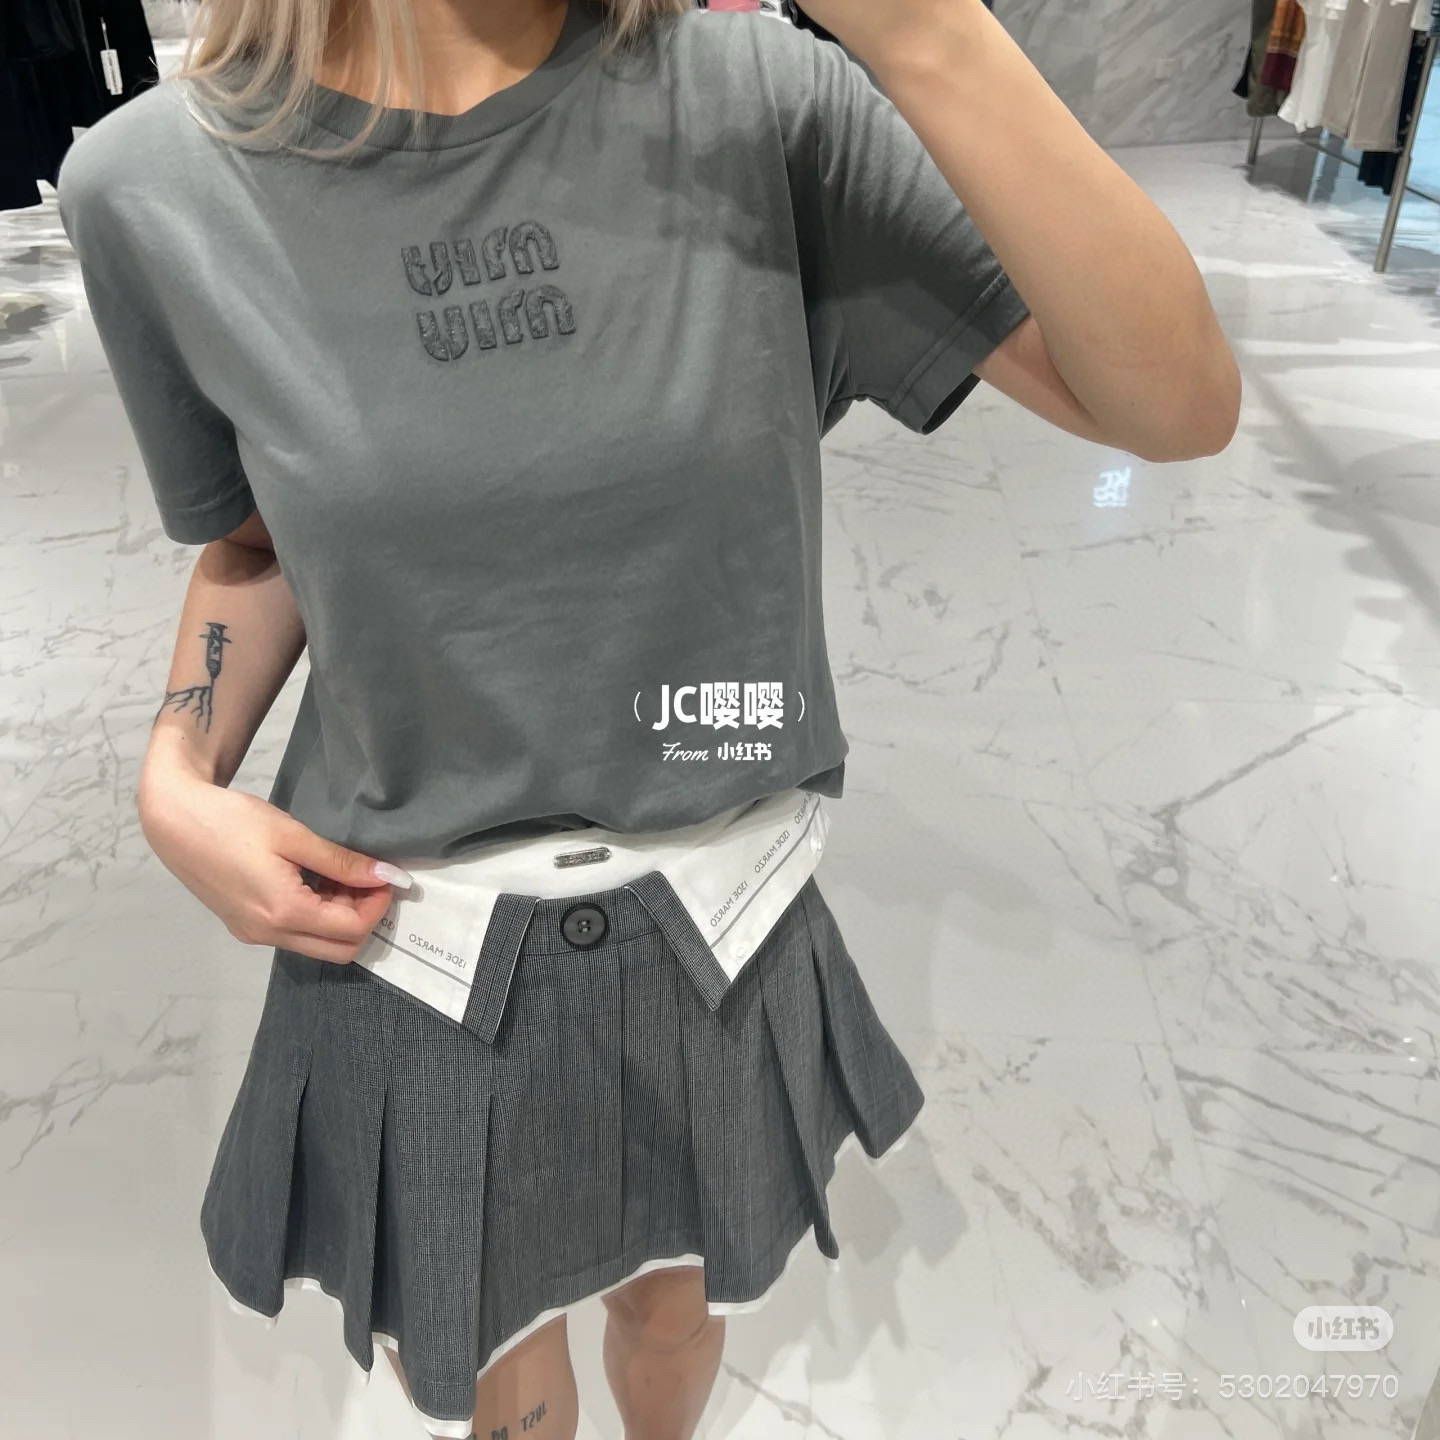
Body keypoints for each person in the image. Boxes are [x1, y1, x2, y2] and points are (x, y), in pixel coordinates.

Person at [55, 0, 1241, 1435]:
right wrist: (177, 769)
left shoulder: (758, 109)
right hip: (411, 939)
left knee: (677, 1303)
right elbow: (258, 543)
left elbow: (1175, 405)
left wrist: (929, 33)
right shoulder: (156, 189)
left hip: (721, 912)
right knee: (496, 1360)